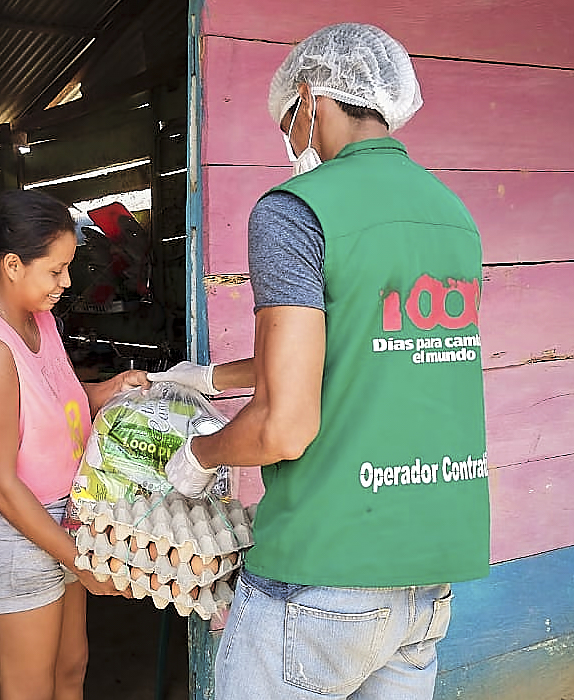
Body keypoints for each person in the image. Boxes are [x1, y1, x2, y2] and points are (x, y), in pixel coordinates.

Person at [149, 22, 490, 700]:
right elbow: (363, 345)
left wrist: (203, 454)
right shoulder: (452, 215)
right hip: (429, 573)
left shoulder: (297, 210)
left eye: (287, 119)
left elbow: (285, 424)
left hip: (324, 569)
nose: (291, 138)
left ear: (311, 96)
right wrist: (212, 378)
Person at [0, 189, 148, 700]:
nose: (67, 281)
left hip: (62, 519)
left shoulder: (41, 323)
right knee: (27, 691)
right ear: (13, 265)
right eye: (56, 270)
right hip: (15, 533)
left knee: (68, 671)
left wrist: (108, 391)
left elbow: (57, 406)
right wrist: (79, 560)